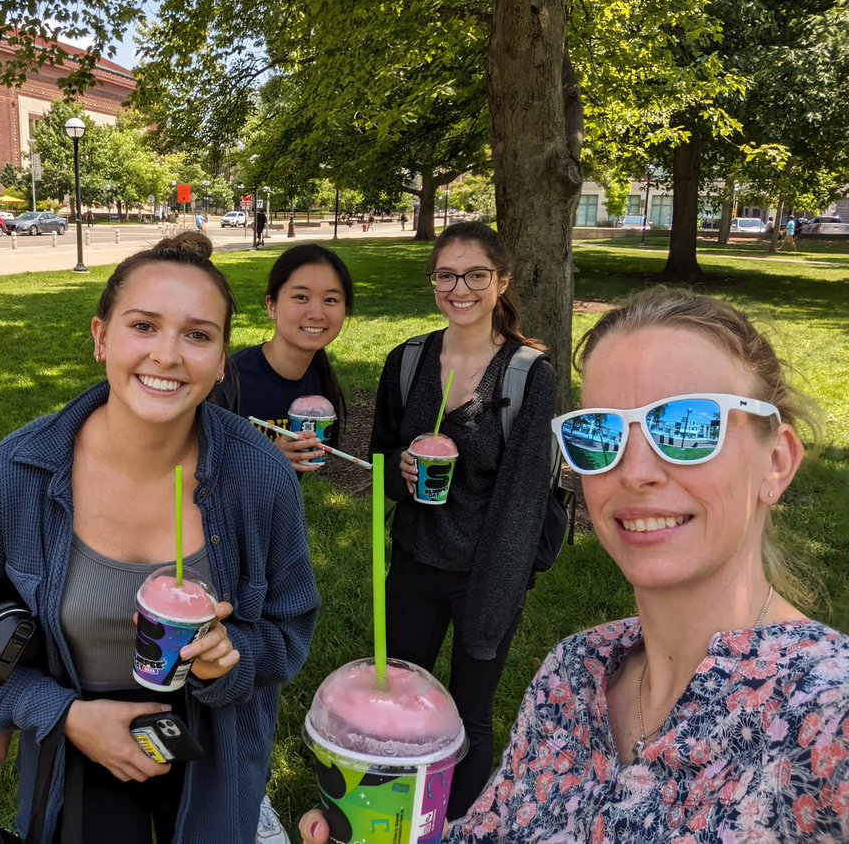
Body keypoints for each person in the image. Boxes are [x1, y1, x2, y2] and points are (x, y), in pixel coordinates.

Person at [301, 287, 849, 842]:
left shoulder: (828, 715)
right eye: (599, 434)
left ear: (776, 462)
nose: (635, 471)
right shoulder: (574, 675)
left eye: (687, 427)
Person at [0, 232, 320, 843]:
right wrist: (57, 713)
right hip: (77, 741)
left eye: (198, 335)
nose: (168, 355)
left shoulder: (259, 476)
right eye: (143, 326)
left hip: (214, 749)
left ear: (221, 361)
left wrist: (229, 660)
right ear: (101, 338)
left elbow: (290, 631)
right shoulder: (23, 469)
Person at [368, 220, 555, 820]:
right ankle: (389, 816)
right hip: (415, 562)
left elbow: (525, 497)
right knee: (399, 698)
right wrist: (400, 468)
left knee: (467, 714)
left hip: (487, 568)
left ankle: (457, 825)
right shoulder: (408, 361)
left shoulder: (529, 375)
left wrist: (498, 590)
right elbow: (378, 459)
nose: (460, 289)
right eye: (446, 276)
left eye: (476, 275)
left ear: (502, 281)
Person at [210, 243, 354, 473]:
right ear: (272, 306)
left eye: (330, 300)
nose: (317, 314)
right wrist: (269, 458)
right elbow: (197, 465)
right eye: (301, 297)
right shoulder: (228, 380)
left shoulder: (319, 383)